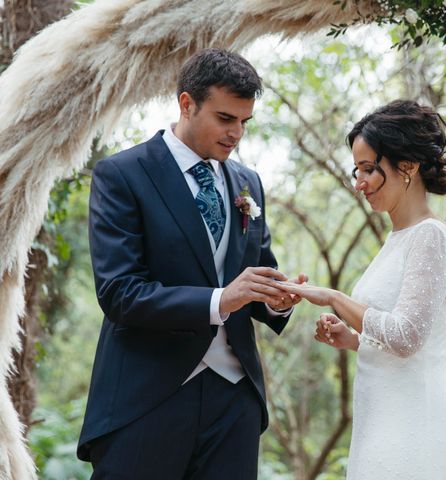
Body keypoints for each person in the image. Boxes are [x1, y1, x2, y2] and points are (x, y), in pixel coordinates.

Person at [77, 48, 305, 479]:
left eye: (244, 121)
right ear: (186, 103)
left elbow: (255, 276)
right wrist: (221, 299)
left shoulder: (248, 182)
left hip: (234, 400)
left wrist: (278, 299)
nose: (237, 133)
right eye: (225, 118)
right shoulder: (123, 175)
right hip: (147, 397)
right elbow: (120, 293)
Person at [281, 100, 446, 479]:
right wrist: (351, 338)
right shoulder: (398, 239)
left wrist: (333, 297)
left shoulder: (429, 236)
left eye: (369, 169)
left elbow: (408, 337)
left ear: (408, 166)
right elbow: (400, 339)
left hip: (414, 425)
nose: (359, 182)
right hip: (381, 422)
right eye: (356, 170)